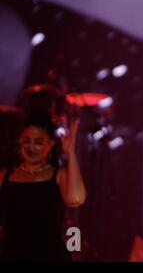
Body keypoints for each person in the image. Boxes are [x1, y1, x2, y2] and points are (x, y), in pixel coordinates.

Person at [0, 109, 86, 261]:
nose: (31, 148)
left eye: (38, 142)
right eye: (27, 141)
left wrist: (70, 153)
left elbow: (76, 199)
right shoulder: (5, 176)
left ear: (50, 144)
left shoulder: (58, 175)